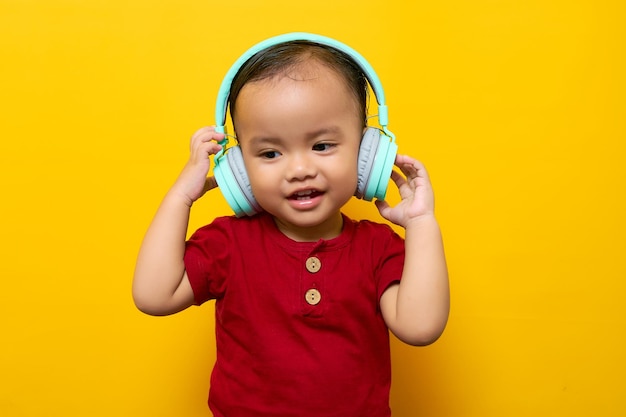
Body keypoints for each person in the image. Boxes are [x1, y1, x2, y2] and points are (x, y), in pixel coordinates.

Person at [133, 35, 449, 417]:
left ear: (368, 153)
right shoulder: (229, 243)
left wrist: (420, 223)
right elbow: (153, 296)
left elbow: (421, 328)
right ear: (239, 170)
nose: (300, 170)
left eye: (322, 146)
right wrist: (181, 196)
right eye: (270, 153)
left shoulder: (377, 247)